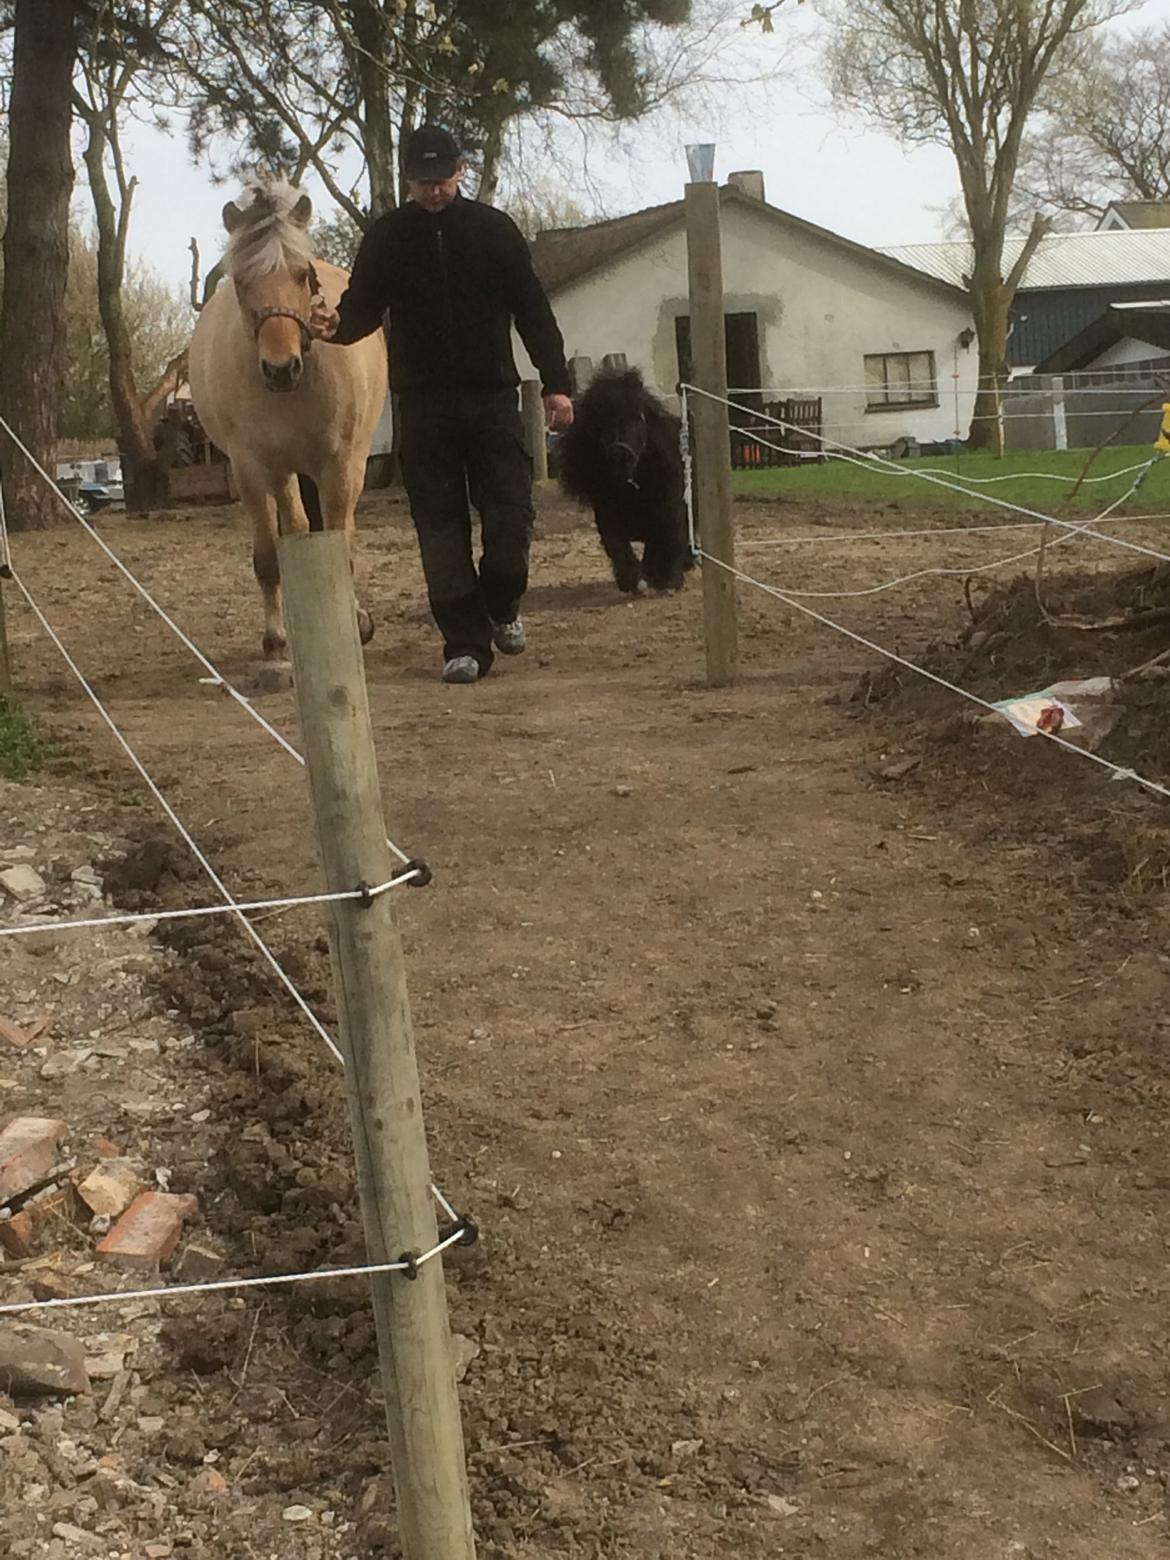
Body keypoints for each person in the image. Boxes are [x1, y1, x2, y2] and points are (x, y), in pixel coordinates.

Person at [309, 124, 574, 685]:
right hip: (423, 404)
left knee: (509, 515)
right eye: (423, 182)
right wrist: (336, 327)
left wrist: (556, 383)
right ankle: (464, 642)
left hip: (492, 396)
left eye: (443, 180)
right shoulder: (387, 238)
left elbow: (532, 309)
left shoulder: (494, 231)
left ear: (461, 172)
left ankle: (501, 604)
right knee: (438, 526)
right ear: (409, 181)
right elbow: (362, 309)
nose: (434, 192)